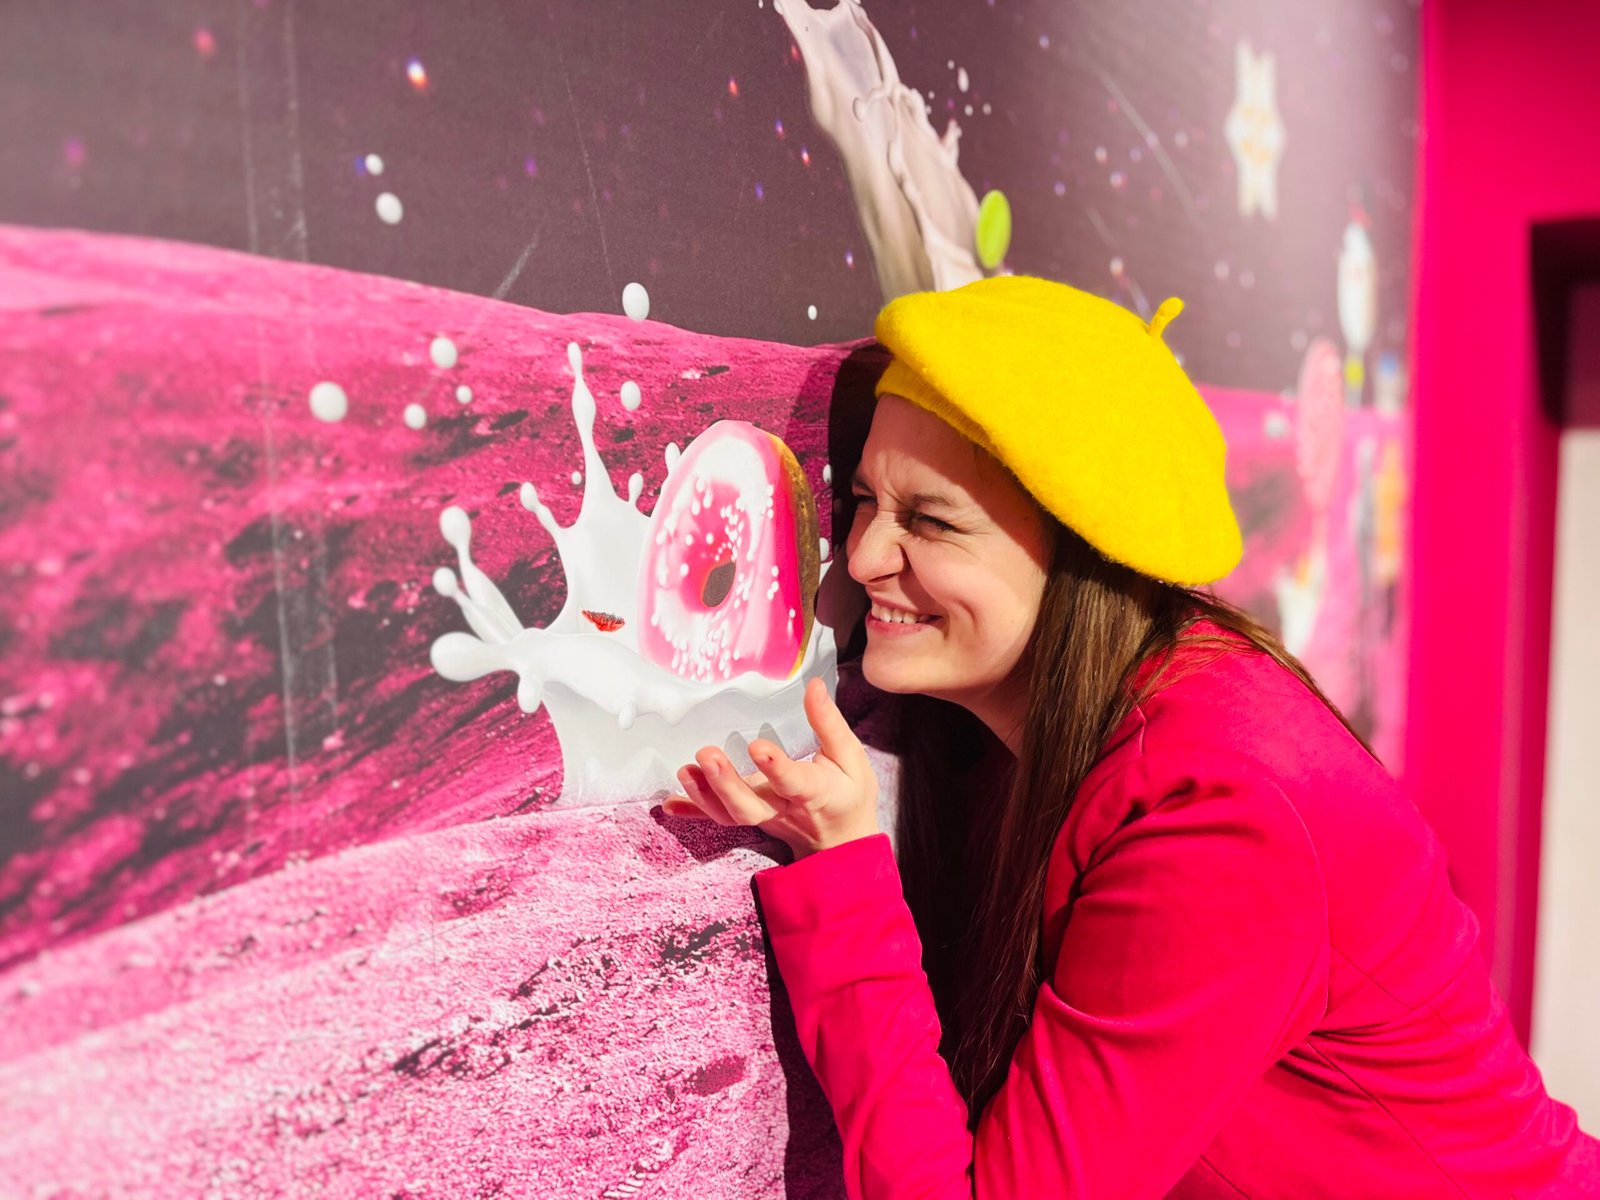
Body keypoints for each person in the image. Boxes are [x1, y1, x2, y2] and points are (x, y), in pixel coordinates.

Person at [660, 275, 1599, 1198]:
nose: (863, 555)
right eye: (865, 499)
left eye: (932, 520)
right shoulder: (1125, 717)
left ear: (1081, 554)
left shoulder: (1222, 813)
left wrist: (840, 864)